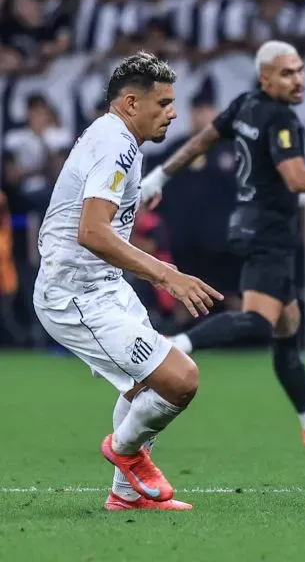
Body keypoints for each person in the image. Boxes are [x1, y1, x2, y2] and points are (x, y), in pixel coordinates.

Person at [138, 41, 305, 449]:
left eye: (301, 70)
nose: (299, 79)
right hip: (269, 233)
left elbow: (202, 140)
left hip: (249, 226)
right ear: (265, 77)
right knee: (259, 321)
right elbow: (298, 179)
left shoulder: (245, 105)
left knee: (288, 325)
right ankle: (170, 346)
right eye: (287, 73)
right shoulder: (283, 120)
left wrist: (159, 177)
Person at [33, 52, 223, 511]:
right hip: (74, 293)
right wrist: (166, 275)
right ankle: (125, 449)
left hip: (103, 284)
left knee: (142, 388)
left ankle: (126, 496)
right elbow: (92, 232)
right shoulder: (115, 144)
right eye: (164, 104)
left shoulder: (116, 138)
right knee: (180, 380)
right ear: (132, 103)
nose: (173, 113)